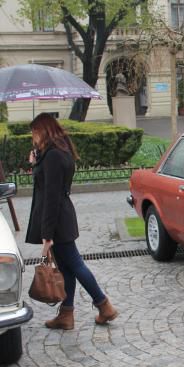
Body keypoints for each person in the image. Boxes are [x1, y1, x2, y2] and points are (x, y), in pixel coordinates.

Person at [26, 113, 119, 330]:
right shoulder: (56, 152)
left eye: (34, 132)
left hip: (57, 221)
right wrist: (36, 160)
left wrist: (47, 235)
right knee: (67, 269)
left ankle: (105, 306)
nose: (33, 137)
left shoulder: (53, 156)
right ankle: (66, 315)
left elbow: (51, 196)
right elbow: (49, 185)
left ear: (43, 130)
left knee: (75, 264)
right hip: (61, 218)